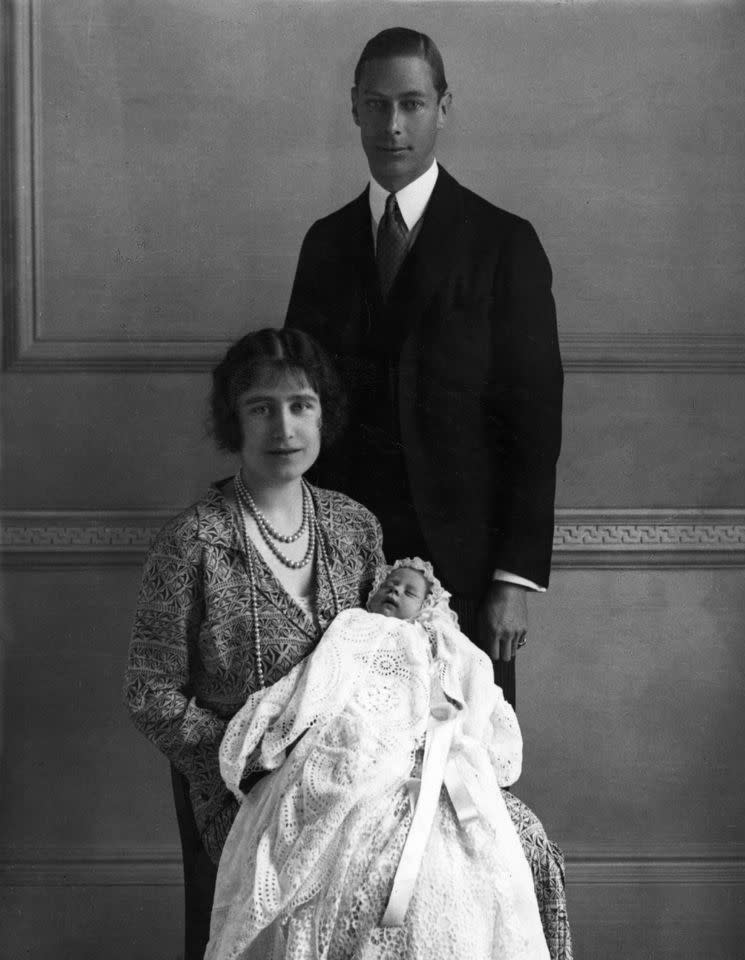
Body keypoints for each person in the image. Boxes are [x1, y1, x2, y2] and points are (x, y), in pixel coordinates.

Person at [285, 27, 564, 705]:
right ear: (354, 108)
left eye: (411, 104)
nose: (393, 126)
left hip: (465, 572)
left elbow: (534, 422)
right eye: (376, 105)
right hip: (343, 572)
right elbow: (300, 405)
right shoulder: (325, 244)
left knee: (462, 774)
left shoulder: (503, 243)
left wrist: (511, 581)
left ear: (444, 106)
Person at [123, 327, 385, 960]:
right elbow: (148, 691)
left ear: (325, 415)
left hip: (357, 777)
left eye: (302, 405)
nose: (284, 428)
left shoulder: (355, 527)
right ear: (232, 422)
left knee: (487, 845)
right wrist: (246, 758)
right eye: (260, 408)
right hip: (246, 794)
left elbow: (387, 660)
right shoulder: (194, 542)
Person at [205, 559, 550, 960]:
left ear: (427, 606)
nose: (395, 593)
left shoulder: (437, 640)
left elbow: (472, 681)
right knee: (343, 774)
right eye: (390, 584)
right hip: (359, 726)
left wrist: (453, 730)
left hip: (420, 734)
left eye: (409, 592)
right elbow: (322, 675)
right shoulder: (354, 625)